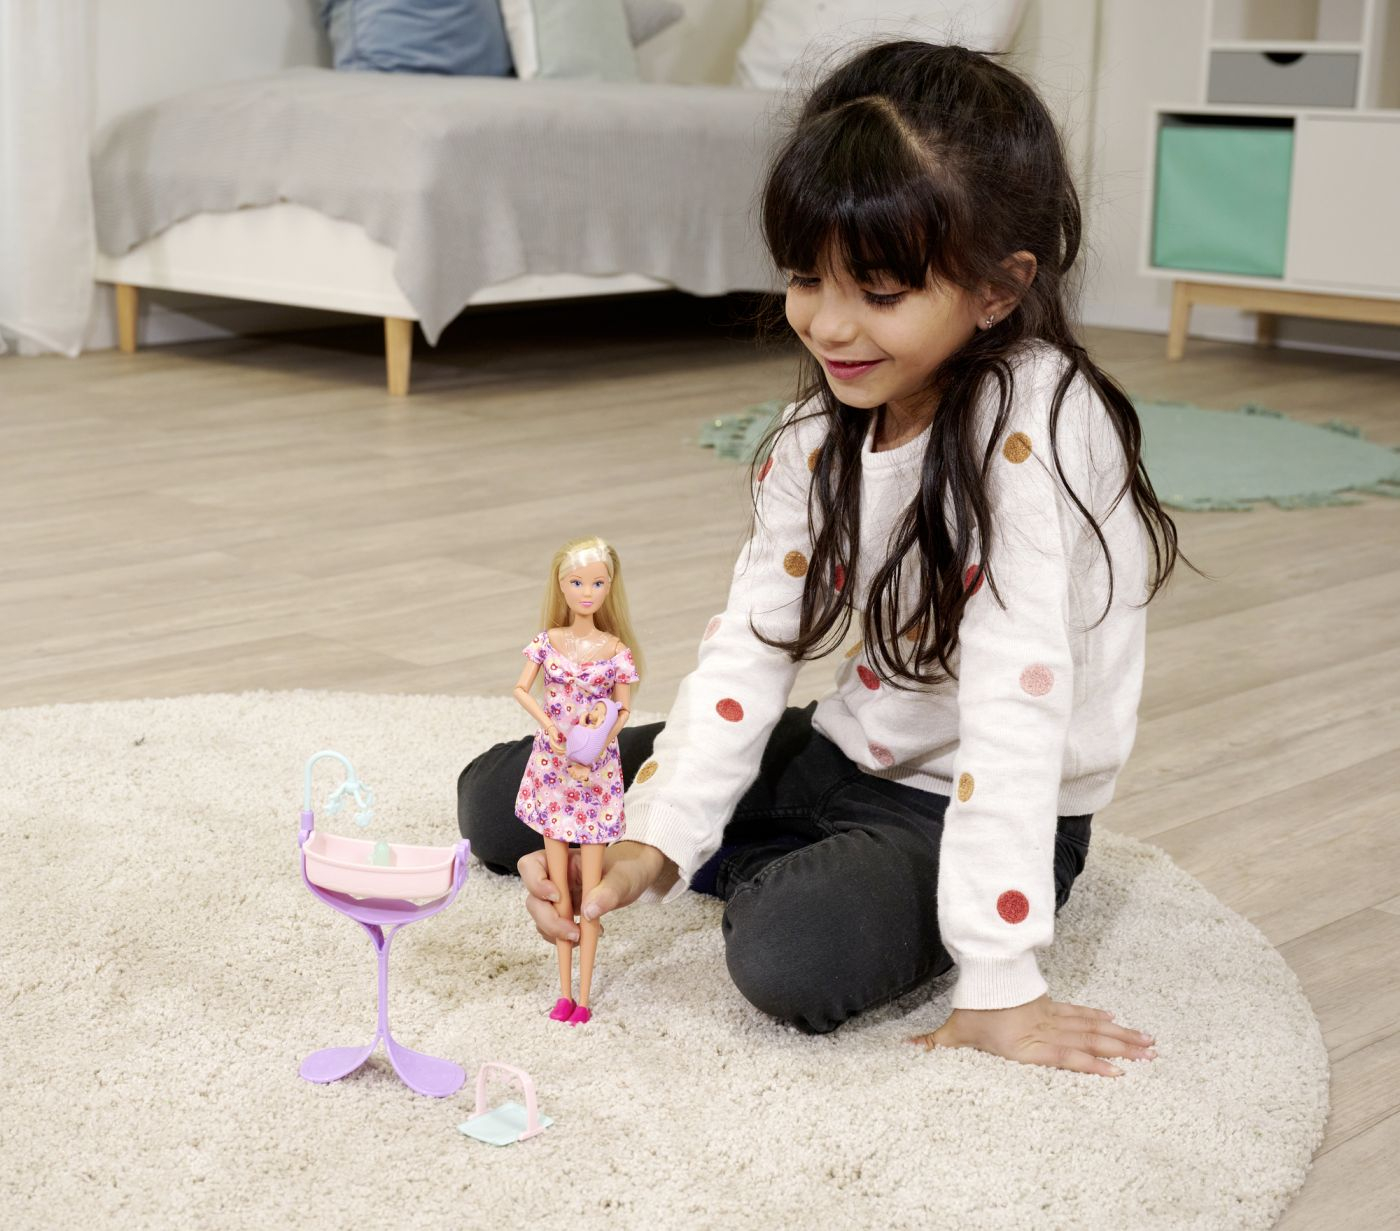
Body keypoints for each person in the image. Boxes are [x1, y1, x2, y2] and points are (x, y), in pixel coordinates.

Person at [460, 40, 1190, 1075]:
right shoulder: (821, 428)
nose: (828, 325)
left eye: (879, 293)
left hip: (978, 800)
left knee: (789, 952)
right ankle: (776, 857)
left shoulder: (1037, 422)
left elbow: (1014, 708)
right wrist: (654, 843)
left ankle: (820, 881)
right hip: (848, 748)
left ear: (997, 288)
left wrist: (1000, 981)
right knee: (501, 798)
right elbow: (751, 649)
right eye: (807, 278)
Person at [509, 536, 640, 1025]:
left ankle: (584, 999)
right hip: (553, 766)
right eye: (578, 582)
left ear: (610, 587)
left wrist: (600, 744)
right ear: (561, 585)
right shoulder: (547, 643)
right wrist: (549, 725)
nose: (588, 592)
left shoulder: (616, 652)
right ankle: (563, 993)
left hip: (596, 774)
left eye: (598, 583)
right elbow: (521, 688)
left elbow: (623, 709)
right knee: (559, 888)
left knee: (591, 892)